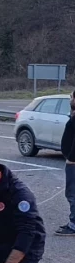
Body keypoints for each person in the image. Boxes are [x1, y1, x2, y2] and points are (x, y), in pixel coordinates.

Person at [58, 89, 75, 237]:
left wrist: (71, 158)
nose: (70, 98)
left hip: (74, 163)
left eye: (72, 97)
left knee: (72, 194)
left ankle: (73, 225)